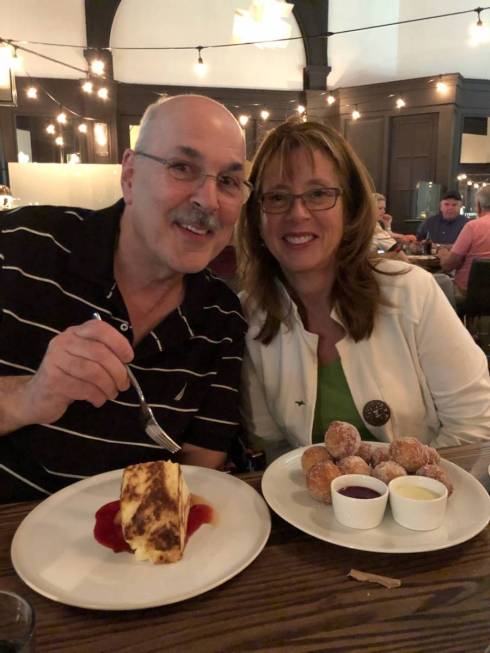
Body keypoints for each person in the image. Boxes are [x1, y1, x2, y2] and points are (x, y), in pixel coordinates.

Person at [0, 94, 250, 501]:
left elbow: (201, 466)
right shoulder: (21, 246)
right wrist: (31, 396)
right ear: (130, 175)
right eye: (182, 168)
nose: (208, 200)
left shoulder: (221, 317)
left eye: (228, 181)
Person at [237, 118, 490, 463]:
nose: (297, 213)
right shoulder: (249, 315)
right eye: (277, 197)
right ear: (256, 215)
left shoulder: (411, 291)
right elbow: (274, 448)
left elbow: (474, 424)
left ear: (351, 207)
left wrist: (405, 496)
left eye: (318, 194)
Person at [438, 185, 490, 294]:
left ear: (479, 205)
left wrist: (442, 252)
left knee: (437, 282)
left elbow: (448, 265)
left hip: (469, 294)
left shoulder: (473, 226)